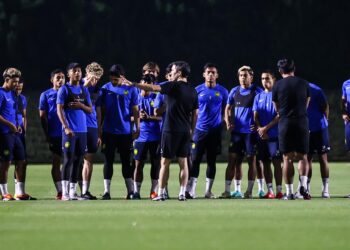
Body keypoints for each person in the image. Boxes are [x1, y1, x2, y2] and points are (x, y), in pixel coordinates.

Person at [124, 61, 198, 201]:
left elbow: (152, 87)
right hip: (185, 131)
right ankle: (182, 193)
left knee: (165, 163)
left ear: (180, 73)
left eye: (174, 70)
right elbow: (196, 114)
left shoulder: (172, 86)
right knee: (184, 163)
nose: (171, 73)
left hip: (170, 129)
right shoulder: (193, 90)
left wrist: (133, 84)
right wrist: (192, 131)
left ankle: (161, 193)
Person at [96, 64, 140, 200]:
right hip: (108, 132)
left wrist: (137, 128)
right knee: (108, 161)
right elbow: (100, 111)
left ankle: (130, 191)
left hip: (125, 132)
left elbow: (135, 110)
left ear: (122, 77)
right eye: (112, 79)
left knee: (126, 162)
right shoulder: (105, 89)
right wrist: (99, 129)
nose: (113, 82)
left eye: (116, 79)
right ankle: (106, 192)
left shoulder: (131, 89)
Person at [185, 63, 228, 199]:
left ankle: (208, 191)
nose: (210, 75)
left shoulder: (223, 91)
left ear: (217, 75)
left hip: (214, 132)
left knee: (211, 161)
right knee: (195, 160)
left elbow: (226, 110)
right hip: (199, 131)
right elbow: (191, 111)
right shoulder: (197, 90)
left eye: (213, 72)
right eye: (208, 72)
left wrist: (223, 122)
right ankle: (191, 190)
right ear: (204, 74)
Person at [221, 66, 263, 199]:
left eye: (245, 75)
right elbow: (227, 108)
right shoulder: (234, 91)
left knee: (253, 161)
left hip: (251, 134)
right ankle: (230, 191)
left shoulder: (257, 91)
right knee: (233, 161)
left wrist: (258, 125)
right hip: (237, 133)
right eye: (241, 75)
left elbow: (264, 108)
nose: (243, 78)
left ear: (251, 77)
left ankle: (249, 191)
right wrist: (228, 121)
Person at [272, 58, 311, 200]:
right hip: (301, 121)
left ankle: (289, 192)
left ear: (280, 70)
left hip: (285, 123)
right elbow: (307, 103)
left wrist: (284, 113)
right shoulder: (304, 83)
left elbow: (276, 106)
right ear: (294, 69)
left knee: (287, 158)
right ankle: (303, 188)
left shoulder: (277, 85)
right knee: (303, 156)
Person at [57, 63, 92, 201]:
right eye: (74, 71)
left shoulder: (84, 90)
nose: (77, 73)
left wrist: (80, 105)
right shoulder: (64, 89)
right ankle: (64, 193)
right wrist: (66, 127)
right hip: (69, 131)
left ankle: (72, 192)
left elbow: (90, 110)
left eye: (79, 71)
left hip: (82, 131)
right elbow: (59, 110)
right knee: (68, 160)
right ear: (69, 74)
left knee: (78, 161)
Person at [0, 68, 33, 200]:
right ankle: (4, 193)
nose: (16, 85)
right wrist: (10, 125)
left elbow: (16, 113)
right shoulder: (1, 93)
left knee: (22, 160)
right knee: (6, 162)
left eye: (18, 82)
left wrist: (18, 126)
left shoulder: (14, 95)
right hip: (4, 133)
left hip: (15, 133)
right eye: (14, 82)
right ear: (6, 80)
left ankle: (19, 192)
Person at [295, 82, 330, 198]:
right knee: (306, 158)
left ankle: (325, 189)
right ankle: (305, 188)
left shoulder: (315, 89)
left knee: (322, 157)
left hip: (319, 128)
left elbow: (325, 106)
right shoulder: (294, 89)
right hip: (305, 129)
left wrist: (324, 122)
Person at [253, 70, 283, 199]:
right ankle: (270, 191)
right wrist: (260, 129)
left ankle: (279, 191)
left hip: (275, 135)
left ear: (274, 79)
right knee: (265, 163)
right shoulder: (258, 96)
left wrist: (266, 128)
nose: (265, 81)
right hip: (262, 136)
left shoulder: (278, 95)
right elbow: (255, 115)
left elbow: (279, 115)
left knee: (277, 163)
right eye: (262, 78)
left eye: (267, 78)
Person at [132, 74, 161, 199]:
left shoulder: (157, 97)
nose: (145, 87)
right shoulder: (135, 97)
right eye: (144, 83)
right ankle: (136, 191)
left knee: (156, 165)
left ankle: (153, 192)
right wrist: (138, 117)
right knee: (138, 164)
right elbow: (129, 116)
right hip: (140, 137)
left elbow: (161, 116)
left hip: (156, 136)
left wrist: (149, 117)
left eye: (149, 84)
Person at [79, 62, 104, 200]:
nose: (95, 80)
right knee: (75, 158)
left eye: (98, 78)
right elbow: (74, 95)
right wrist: (87, 84)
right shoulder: (79, 85)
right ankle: (68, 190)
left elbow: (98, 110)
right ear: (86, 74)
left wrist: (99, 131)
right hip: (79, 125)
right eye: (93, 77)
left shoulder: (98, 89)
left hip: (92, 127)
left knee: (89, 159)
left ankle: (85, 191)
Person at [39, 69, 65, 199]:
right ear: (52, 80)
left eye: (62, 77)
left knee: (74, 162)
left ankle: (73, 190)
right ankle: (60, 191)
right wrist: (47, 134)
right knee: (56, 161)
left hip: (70, 132)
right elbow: (42, 116)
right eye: (58, 78)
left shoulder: (68, 92)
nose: (60, 80)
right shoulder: (46, 95)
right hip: (55, 134)